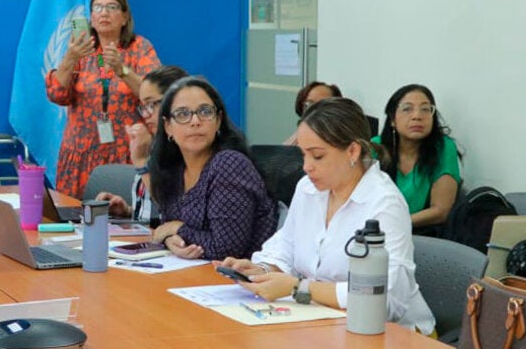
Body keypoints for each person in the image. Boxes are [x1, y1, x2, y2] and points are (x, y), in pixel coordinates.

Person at [221, 98, 436, 334]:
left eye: (317, 156)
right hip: (323, 324)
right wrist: (262, 270)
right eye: (303, 155)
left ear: (352, 151)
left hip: (389, 335)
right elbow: (285, 245)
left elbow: (385, 298)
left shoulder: (385, 204)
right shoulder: (308, 188)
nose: (306, 167)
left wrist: (298, 287)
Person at [45, 0, 161, 198]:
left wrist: (122, 70)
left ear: (125, 17)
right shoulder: (81, 49)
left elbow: (154, 96)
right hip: (80, 155)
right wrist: (70, 57)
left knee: (124, 220)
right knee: (75, 222)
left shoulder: (139, 48)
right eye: (97, 8)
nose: (104, 13)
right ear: (91, 17)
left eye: (111, 7)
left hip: (125, 153)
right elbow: (57, 94)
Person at [146, 77, 277, 259]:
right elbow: (164, 228)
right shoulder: (174, 169)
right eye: (183, 114)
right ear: (168, 126)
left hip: (241, 279)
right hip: (191, 274)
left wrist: (176, 228)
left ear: (218, 120)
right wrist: (170, 239)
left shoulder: (229, 164)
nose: (195, 121)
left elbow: (226, 249)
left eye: (205, 112)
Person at [95, 65, 189, 223]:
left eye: (152, 105)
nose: (145, 114)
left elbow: (175, 214)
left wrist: (141, 161)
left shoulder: (190, 151)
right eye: (143, 107)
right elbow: (154, 213)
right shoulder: (153, 144)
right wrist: (128, 212)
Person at [372, 84, 461, 229]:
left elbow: (441, 211)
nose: (417, 116)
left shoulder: (443, 147)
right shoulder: (376, 147)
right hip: (376, 232)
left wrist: (395, 224)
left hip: (422, 234)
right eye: (407, 109)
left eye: (425, 109)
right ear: (392, 119)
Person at [282, 81, 342, 145]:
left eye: (324, 104)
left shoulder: (348, 141)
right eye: (310, 104)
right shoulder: (292, 144)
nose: (315, 109)